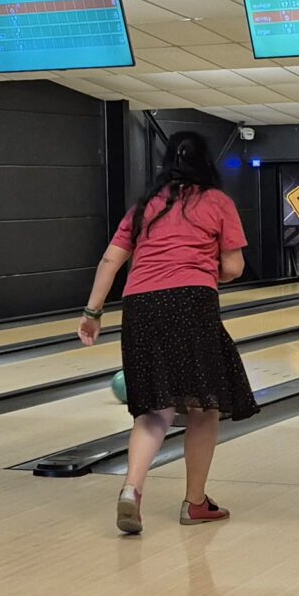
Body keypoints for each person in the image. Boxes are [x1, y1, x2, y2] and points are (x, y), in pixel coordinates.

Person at [74, 130, 256, 535]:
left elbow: (110, 260)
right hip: (191, 302)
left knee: (154, 410)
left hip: (140, 305)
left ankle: (131, 489)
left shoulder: (144, 207)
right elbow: (234, 267)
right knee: (204, 407)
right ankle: (195, 503)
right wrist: (200, 269)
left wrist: (92, 312)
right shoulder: (217, 202)